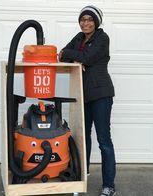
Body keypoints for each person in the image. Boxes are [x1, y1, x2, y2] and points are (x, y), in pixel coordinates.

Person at [59, 5, 116, 196]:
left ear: (96, 21)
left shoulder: (102, 38)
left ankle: (109, 185)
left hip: (101, 94)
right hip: (83, 94)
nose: (85, 23)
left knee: (103, 140)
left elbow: (89, 58)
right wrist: (76, 58)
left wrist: (78, 58)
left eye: (90, 19)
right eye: (83, 19)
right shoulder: (78, 38)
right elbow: (63, 55)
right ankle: (84, 174)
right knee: (83, 138)